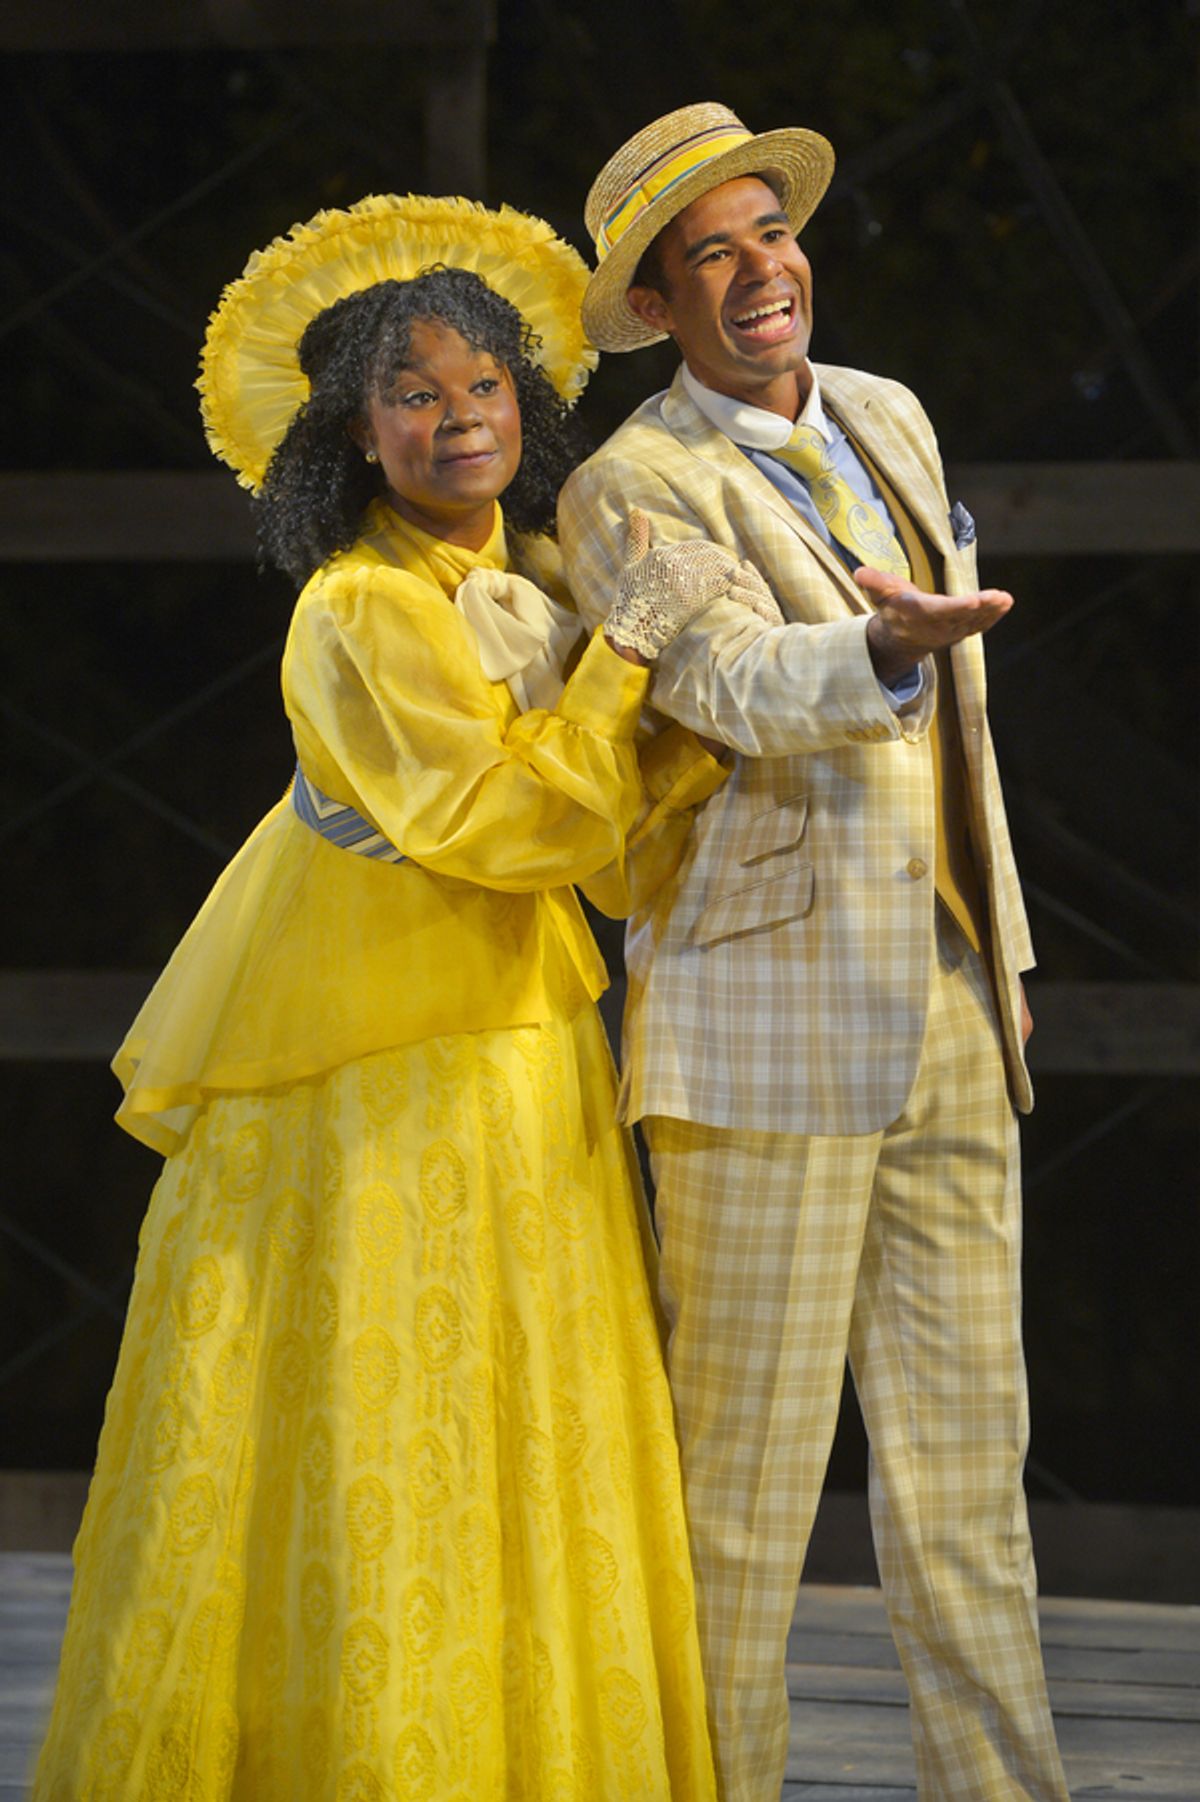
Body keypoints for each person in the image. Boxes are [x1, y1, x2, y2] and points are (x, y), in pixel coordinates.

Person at [30, 193, 732, 1800]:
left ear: (526, 404)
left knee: (522, 1382)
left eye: (482, 385)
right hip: (363, 1034)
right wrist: (626, 659)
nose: (457, 418)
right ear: (353, 436)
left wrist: (680, 696)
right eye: (413, 396)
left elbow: (616, 841)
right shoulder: (356, 607)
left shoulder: (543, 572)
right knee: (371, 1381)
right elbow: (507, 823)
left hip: (522, 1028)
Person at [558, 104, 1071, 1802]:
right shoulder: (632, 481)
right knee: (743, 1498)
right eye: (713, 252)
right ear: (661, 304)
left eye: (769, 232)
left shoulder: (888, 415)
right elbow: (729, 682)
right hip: (764, 1032)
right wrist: (882, 650)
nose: (762, 269)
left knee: (968, 1485)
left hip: (945, 998)